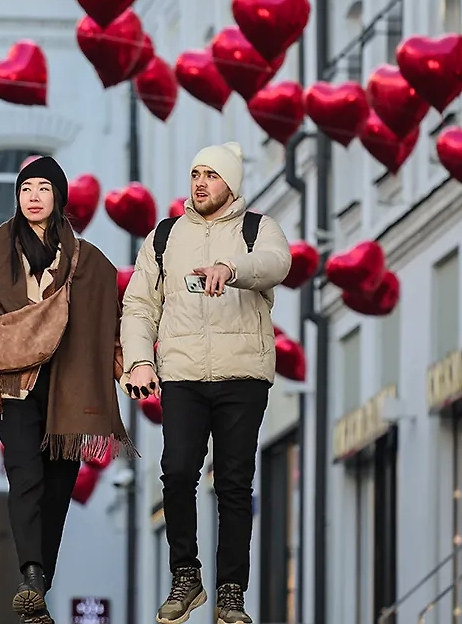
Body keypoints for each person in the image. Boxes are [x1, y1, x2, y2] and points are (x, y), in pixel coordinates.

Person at [0, 156, 134, 624]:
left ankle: (38, 587)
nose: (34, 196)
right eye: (25, 189)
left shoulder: (86, 261)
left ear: (58, 197)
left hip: (68, 384)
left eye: (43, 188)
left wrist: (132, 372)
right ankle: (30, 572)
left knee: (59, 484)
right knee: (26, 474)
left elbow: (109, 329)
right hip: (12, 384)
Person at [121, 142, 292, 624]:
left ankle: (232, 590)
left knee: (235, 484)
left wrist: (231, 270)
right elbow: (138, 306)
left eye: (211, 175)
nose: (200, 183)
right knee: (176, 474)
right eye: (196, 173)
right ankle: (186, 576)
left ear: (230, 183)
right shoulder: (164, 236)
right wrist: (138, 361)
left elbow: (278, 264)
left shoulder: (259, 229)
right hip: (182, 375)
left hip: (243, 375)